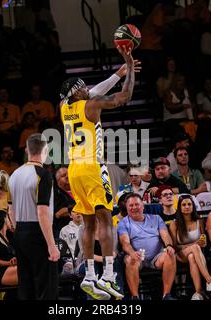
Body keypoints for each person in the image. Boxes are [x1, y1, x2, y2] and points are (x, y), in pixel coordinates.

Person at [59, 45, 135, 300]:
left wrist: (117, 74)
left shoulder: (64, 107)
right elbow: (124, 96)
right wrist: (130, 68)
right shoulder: (91, 106)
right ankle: (110, 274)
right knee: (105, 219)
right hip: (92, 167)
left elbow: (93, 91)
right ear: (78, 92)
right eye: (82, 87)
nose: (86, 89)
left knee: (88, 223)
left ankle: (90, 274)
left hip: (73, 170)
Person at [9, 134, 59, 300]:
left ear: (27, 150)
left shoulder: (14, 174)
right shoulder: (43, 174)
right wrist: (51, 245)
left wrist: (18, 234)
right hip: (38, 231)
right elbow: (42, 212)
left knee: (26, 285)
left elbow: (10, 210)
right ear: (46, 150)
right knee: (46, 286)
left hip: (19, 231)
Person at [118, 193, 177, 300]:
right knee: (130, 260)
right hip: (137, 257)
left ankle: (166, 295)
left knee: (170, 254)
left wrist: (169, 245)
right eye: (131, 205)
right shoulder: (123, 223)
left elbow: (165, 235)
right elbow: (125, 243)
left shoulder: (156, 218)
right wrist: (132, 253)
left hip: (156, 257)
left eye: (137, 204)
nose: (134, 207)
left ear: (143, 206)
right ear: (126, 208)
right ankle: (135, 297)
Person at [169, 194, 211, 300]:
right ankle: (209, 281)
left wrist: (203, 243)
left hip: (196, 254)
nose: (187, 207)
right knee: (194, 248)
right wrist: (193, 245)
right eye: (184, 205)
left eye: (189, 204)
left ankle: (198, 292)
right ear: (179, 208)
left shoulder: (199, 221)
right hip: (180, 255)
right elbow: (175, 246)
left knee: (192, 256)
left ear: (193, 206)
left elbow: (204, 240)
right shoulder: (174, 224)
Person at [53, 167, 75, 237]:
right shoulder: (55, 193)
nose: (67, 176)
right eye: (63, 175)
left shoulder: (78, 189)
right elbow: (58, 213)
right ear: (58, 181)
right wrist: (77, 207)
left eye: (69, 174)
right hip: (64, 232)